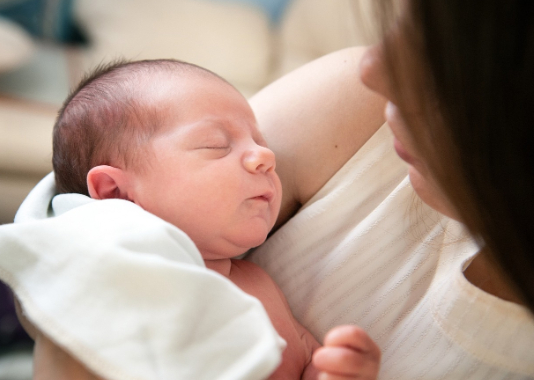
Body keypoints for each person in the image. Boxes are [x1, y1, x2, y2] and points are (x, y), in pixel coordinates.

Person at [44, 58, 379, 380]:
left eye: (260, 141)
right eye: (217, 145)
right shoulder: (124, 287)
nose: (265, 156)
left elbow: (303, 357)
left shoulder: (260, 284)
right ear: (117, 193)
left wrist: (332, 369)